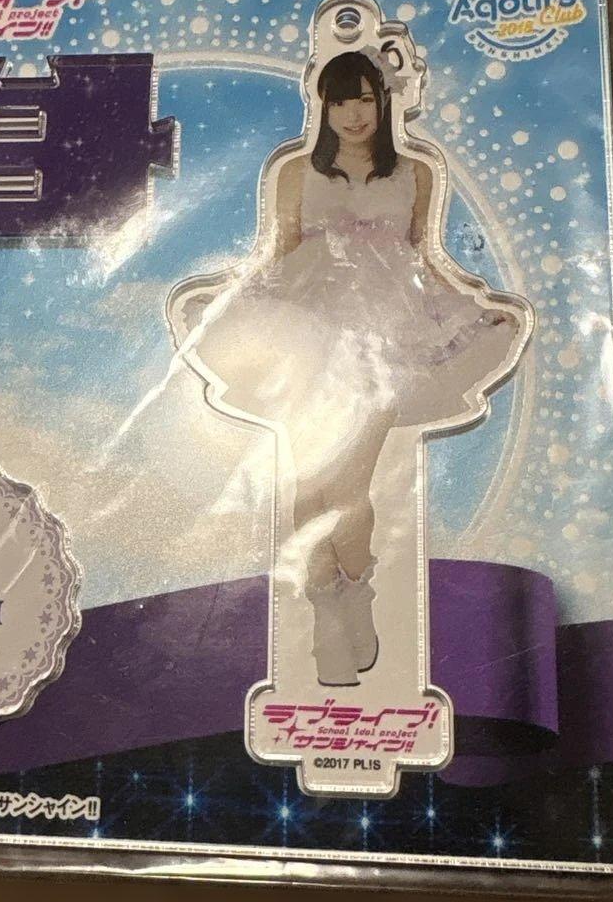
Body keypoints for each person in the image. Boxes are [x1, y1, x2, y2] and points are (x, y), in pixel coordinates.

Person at [179, 50, 523, 685]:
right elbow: (278, 250)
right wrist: (227, 299)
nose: (353, 113)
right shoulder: (296, 172)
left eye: (364, 99)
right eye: (340, 101)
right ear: (324, 107)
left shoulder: (416, 171)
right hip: (305, 329)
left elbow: (425, 255)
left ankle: (356, 592)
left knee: (346, 487)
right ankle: (328, 624)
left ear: (383, 103)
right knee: (308, 482)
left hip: (386, 335)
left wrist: (474, 308)